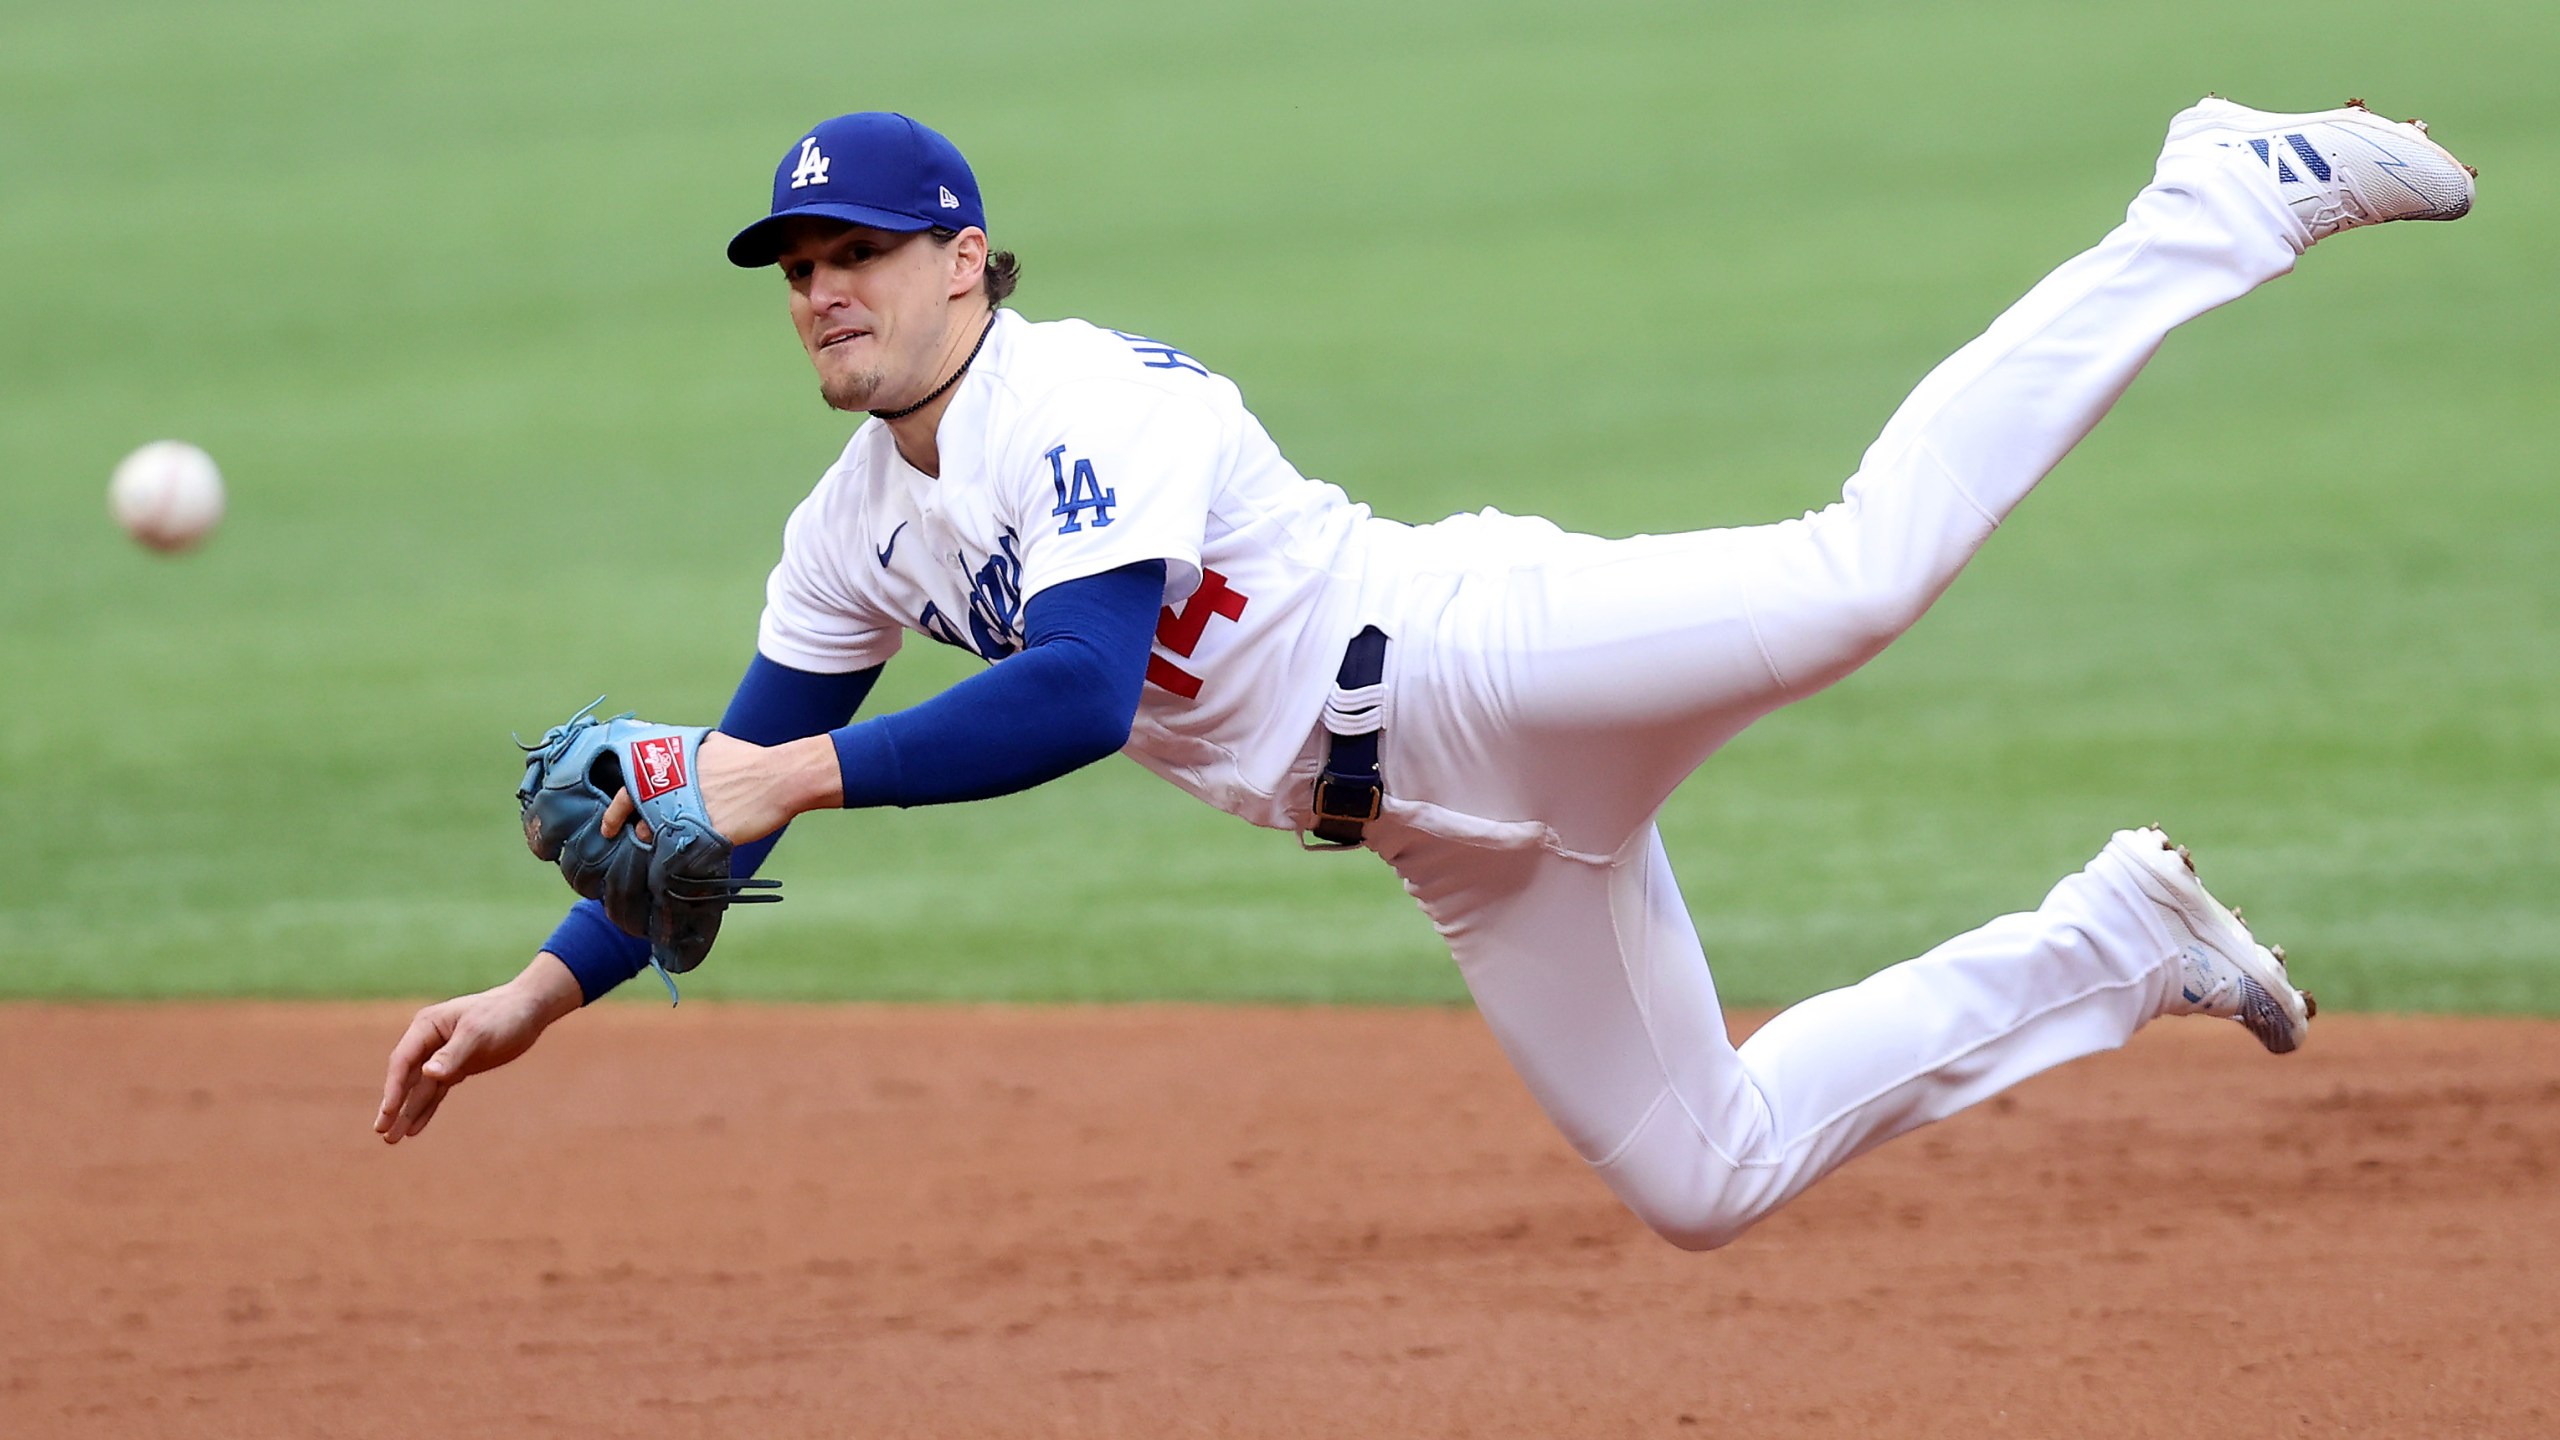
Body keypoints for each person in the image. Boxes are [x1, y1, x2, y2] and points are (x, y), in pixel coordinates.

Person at [377, 100, 2472, 1249]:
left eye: (854, 255)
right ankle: (2111, 938)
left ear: (963, 263)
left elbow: (1077, 694)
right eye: (795, 270)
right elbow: (729, 768)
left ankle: (2210, 199)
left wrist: (781, 796)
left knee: (1858, 580)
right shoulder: (851, 522)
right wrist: (540, 987)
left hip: (1472, 660)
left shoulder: (1072, 396)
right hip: (1442, 843)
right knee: (1703, 1175)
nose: (822, 294)